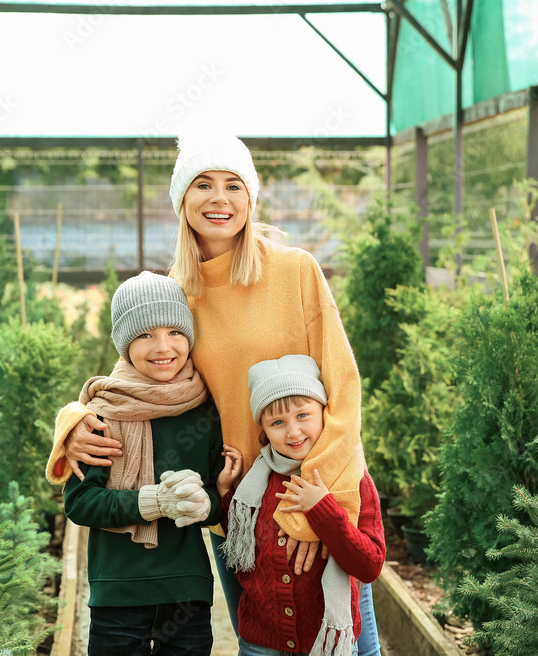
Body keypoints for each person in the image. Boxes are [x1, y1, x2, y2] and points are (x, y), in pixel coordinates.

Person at [47, 133, 381, 655]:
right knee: (264, 645)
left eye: (233, 185)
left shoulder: (295, 271)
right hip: (239, 511)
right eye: (203, 184)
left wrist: (320, 507)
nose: (219, 198)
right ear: (183, 200)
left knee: (347, 645)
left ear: (251, 198)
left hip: (315, 493)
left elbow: (344, 386)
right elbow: (132, 379)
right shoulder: (178, 294)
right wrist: (73, 421)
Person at [55, 271, 226, 656]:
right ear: (124, 343)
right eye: (145, 334)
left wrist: (204, 503)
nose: (163, 346)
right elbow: (80, 502)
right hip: (118, 594)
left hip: (187, 590)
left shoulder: (205, 410)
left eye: (175, 332)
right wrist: (150, 502)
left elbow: (219, 496)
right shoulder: (101, 416)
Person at [217, 354, 385, 656]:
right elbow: (241, 543)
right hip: (261, 643)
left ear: (324, 414)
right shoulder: (257, 480)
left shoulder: (352, 481)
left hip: (323, 643)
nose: (293, 432)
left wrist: (323, 509)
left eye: (303, 415)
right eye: (277, 422)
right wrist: (226, 491)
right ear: (264, 430)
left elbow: (370, 564)